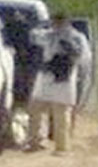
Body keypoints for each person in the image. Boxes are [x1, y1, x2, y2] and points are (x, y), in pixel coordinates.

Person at [25, 12, 91, 154]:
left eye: (59, 22)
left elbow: (84, 58)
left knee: (61, 114)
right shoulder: (48, 35)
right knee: (35, 109)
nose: (56, 25)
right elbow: (33, 36)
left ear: (66, 22)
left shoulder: (77, 37)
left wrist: (70, 49)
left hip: (64, 79)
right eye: (54, 22)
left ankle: (62, 147)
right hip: (46, 76)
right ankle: (35, 142)